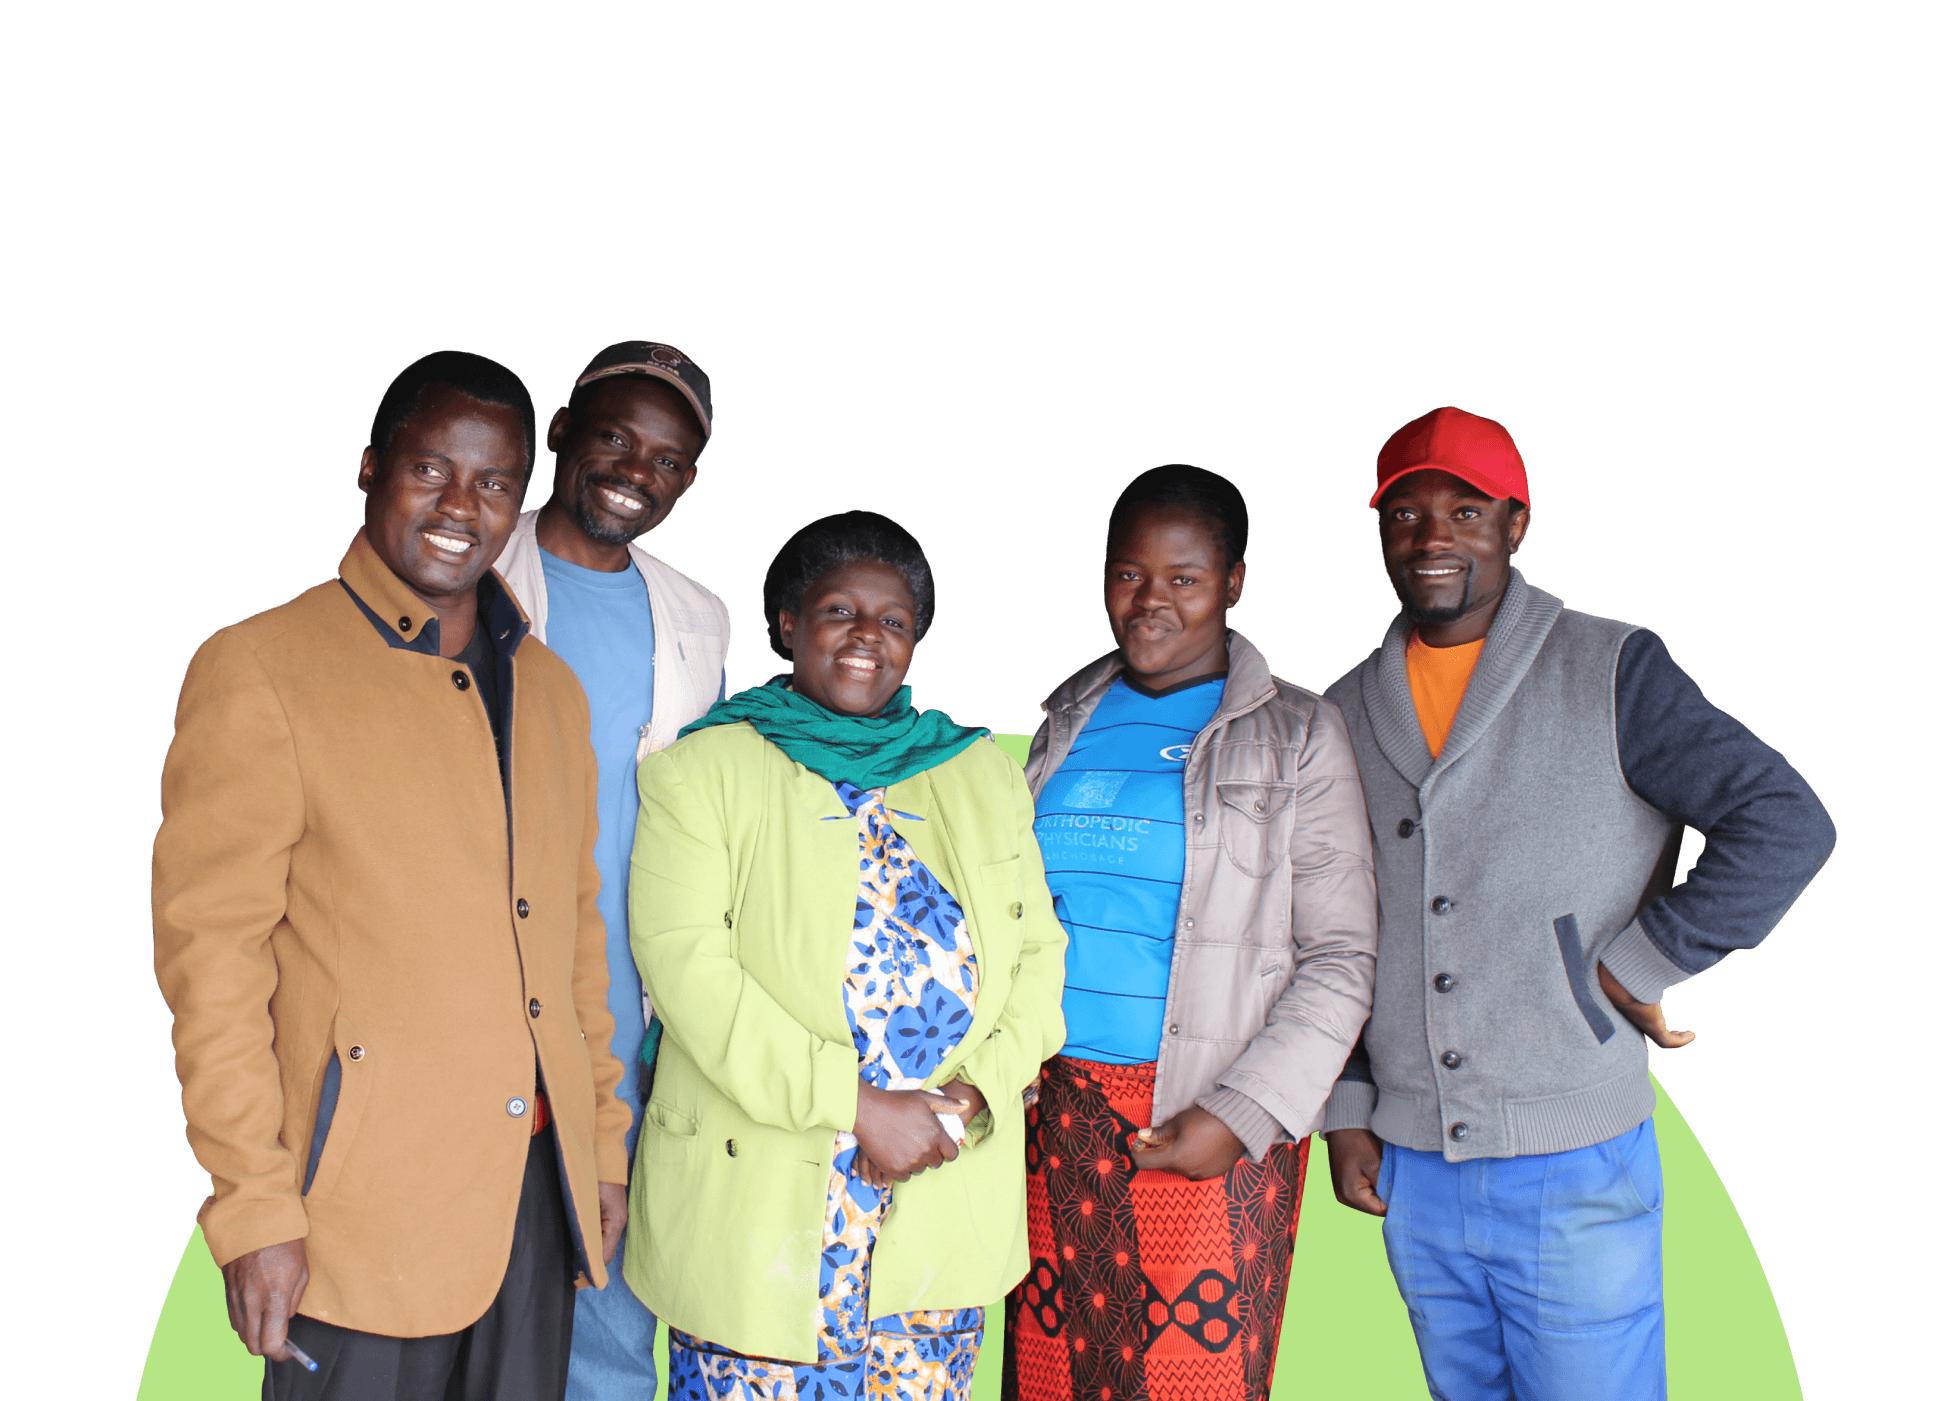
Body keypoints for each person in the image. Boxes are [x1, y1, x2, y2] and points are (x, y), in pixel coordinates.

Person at [1320, 406, 1837, 1400]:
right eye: (1404, 515)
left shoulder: (1609, 669)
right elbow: (1335, 926)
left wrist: (1632, 964)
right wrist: (1347, 1107)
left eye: (1462, 511)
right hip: (1412, 1166)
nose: (1430, 538)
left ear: (1514, 524)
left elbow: (1783, 821)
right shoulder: (1340, 710)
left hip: (1570, 1156)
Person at [152, 351, 633, 1401]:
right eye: (431, 470)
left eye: (495, 482)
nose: (462, 505)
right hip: (357, 1216)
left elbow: (576, 935)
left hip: (531, 1207)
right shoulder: (261, 667)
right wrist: (251, 1206)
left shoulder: (550, 692)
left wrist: (601, 1147)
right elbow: (212, 963)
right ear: (370, 469)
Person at [623, 511, 1068, 1396]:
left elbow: (1038, 956)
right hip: (759, 1208)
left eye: (894, 621)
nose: (869, 637)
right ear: (788, 623)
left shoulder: (977, 770)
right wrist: (857, 1105)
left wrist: (963, 1101)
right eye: (840, 612)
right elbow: (686, 969)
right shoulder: (703, 769)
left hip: (939, 1191)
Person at [1007, 465, 1378, 1401]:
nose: (1150, 601)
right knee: (1051, 1378)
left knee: (1193, 1380)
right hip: (1050, 1118)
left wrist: (1244, 1113)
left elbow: (1341, 958)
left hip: (1202, 1114)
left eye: (1185, 577)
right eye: (1129, 573)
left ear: (1235, 582)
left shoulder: (1297, 733)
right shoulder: (1065, 717)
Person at [491, 340, 729, 1401]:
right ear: (560, 433)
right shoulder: (469, 568)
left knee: (612, 1300)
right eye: (616, 439)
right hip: (485, 987)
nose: (637, 470)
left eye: (669, 459)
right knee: (470, 1277)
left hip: (629, 1010)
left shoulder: (698, 616)